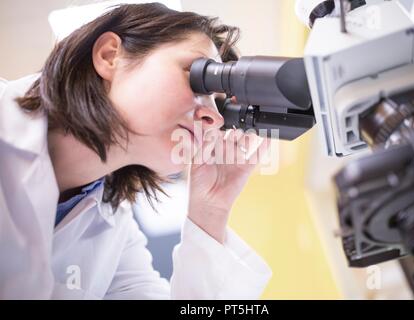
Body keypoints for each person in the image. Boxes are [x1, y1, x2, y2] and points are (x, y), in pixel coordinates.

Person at [0, 3, 272, 299]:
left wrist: (210, 212)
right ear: (109, 56)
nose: (215, 119)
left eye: (218, 105)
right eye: (199, 77)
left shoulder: (113, 234)